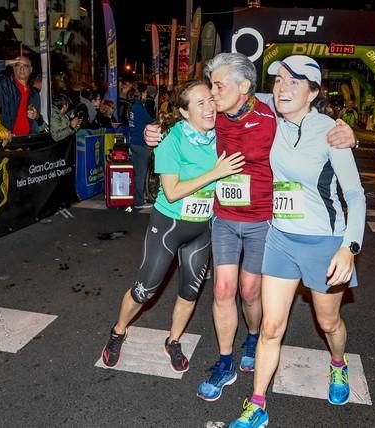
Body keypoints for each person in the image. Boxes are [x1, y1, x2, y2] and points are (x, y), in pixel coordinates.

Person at [144, 53, 358, 404]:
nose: (212, 94)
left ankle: (254, 337)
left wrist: (349, 137)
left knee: (249, 290)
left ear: (244, 88)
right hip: (225, 216)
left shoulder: (272, 112)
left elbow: (309, 125)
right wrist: (153, 133)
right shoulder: (214, 118)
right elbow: (183, 127)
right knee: (224, 289)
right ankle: (225, 360)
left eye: (219, 85)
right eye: (211, 86)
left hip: (264, 219)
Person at [229, 55, 365, 427]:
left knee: (329, 323)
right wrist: (161, 129)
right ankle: (257, 404)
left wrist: (348, 247)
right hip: (280, 239)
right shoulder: (271, 118)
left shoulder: (330, 132)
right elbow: (225, 97)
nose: (282, 87)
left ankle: (338, 364)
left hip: (324, 243)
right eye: (278, 80)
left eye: (294, 82)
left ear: (314, 92)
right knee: (272, 327)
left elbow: (355, 196)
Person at [100, 80, 245, 373]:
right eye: (200, 103)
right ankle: (118, 331)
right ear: (184, 112)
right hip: (169, 224)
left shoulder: (221, 134)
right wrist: (215, 172)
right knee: (144, 290)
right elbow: (172, 191)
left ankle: (174, 341)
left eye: (210, 101)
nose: (209, 107)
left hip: (201, 227)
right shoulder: (170, 139)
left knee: (190, 292)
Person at [0, 55, 44, 136]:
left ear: (31, 70)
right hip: (9, 140)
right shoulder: (4, 85)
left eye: (25, 66)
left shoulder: (35, 94)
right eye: (17, 65)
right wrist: (6, 62)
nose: (21, 68)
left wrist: (37, 116)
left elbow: (40, 122)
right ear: (13, 68)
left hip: (30, 141)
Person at [128, 84, 155, 210]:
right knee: (141, 174)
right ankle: (139, 201)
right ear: (142, 93)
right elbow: (151, 121)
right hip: (141, 144)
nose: (146, 96)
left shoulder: (132, 107)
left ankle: (135, 198)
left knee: (135, 173)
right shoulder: (139, 108)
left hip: (133, 143)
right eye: (145, 93)